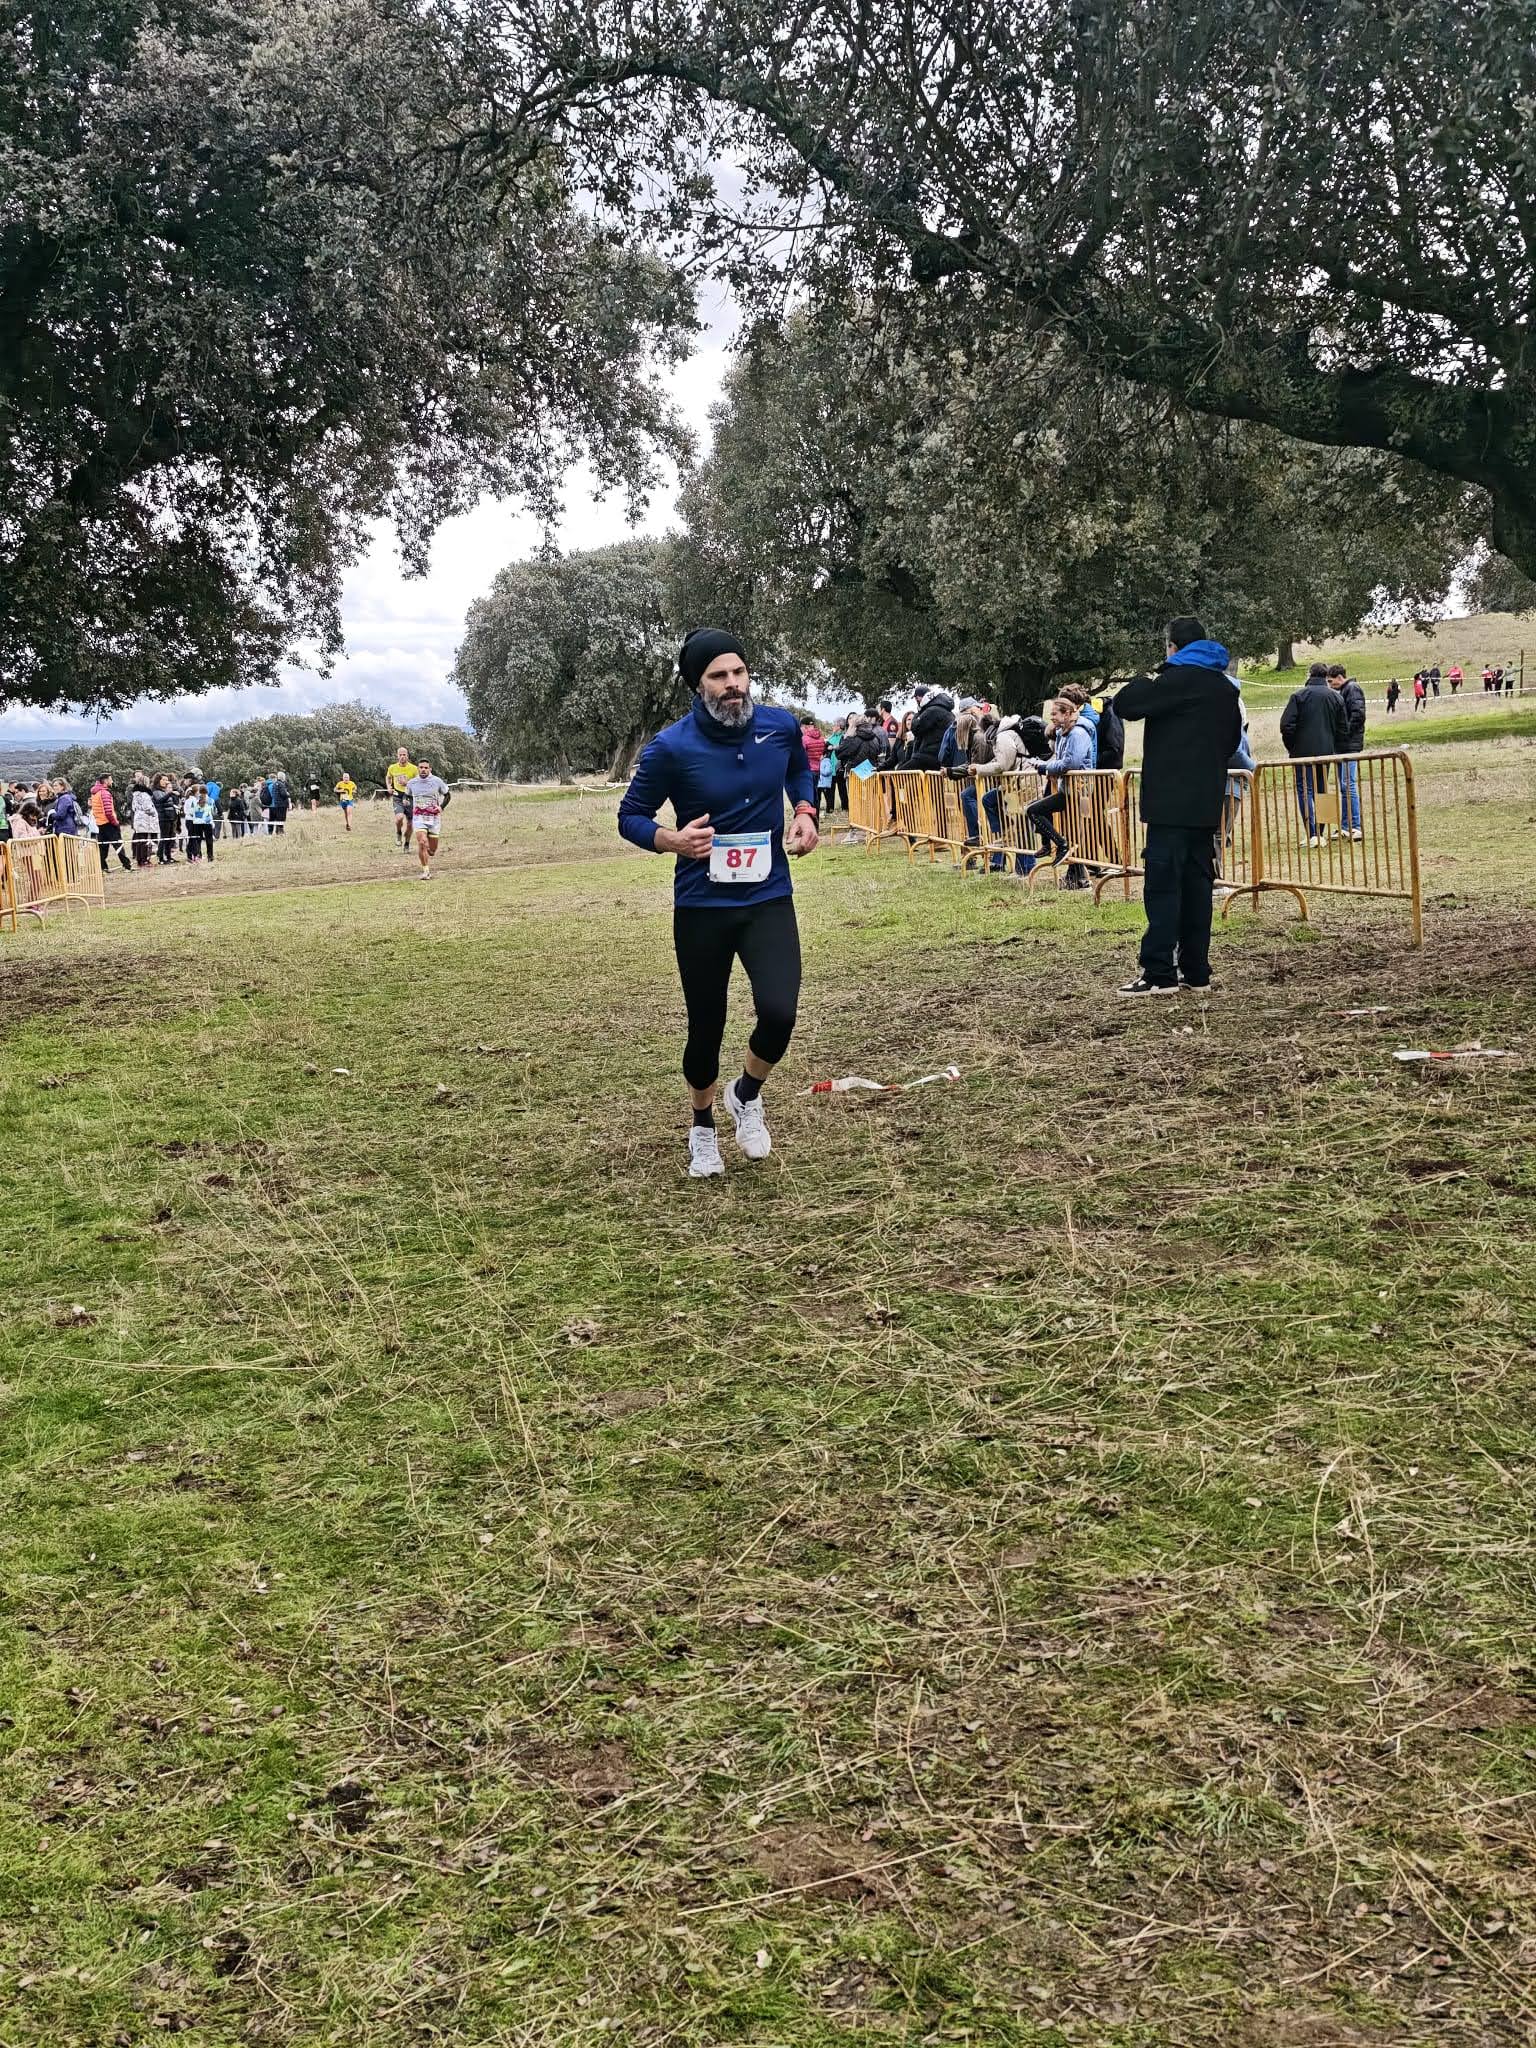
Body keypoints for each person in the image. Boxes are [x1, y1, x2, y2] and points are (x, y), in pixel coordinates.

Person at [617, 627, 818, 1178]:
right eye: (718, 677)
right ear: (697, 685)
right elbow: (629, 816)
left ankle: (745, 1093)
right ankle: (702, 1126)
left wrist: (804, 811)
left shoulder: (779, 727)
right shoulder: (671, 747)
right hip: (703, 906)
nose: (733, 685)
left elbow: (800, 771)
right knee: (706, 1026)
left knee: (780, 1013)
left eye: (739, 672)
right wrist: (672, 840)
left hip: (768, 897)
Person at [1112, 617, 1243, 995]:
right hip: (1205, 803)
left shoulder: (1174, 680)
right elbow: (1232, 741)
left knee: (1164, 887)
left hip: (1169, 803)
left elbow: (1127, 704)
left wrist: (1148, 676)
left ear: (1173, 647)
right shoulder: (1224, 689)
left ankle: (1158, 973)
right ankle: (1196, 971)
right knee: (1197, 887)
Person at [1024, 696, 1095, 886]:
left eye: (1055, 713)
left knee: (1074, 832)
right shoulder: (1063, 733)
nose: (1051, 717)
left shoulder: (1077, 734)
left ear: (1068, 713)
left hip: (1080, 790)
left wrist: (1044, 768)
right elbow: (1060, 760)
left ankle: (1065, 853)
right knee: (1036, 811)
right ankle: (1072, 870)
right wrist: (1042, 764)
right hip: (1069, 789)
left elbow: (1070, 763)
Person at [1279, 662, 1349, 844]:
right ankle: (1322, 831)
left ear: (1310, 674)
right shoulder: (1335, 697)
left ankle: (1312, 834)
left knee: (1305, 791)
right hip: (1327, 752)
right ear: (1325, 676)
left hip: (1302, 753)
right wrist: (1335, 747)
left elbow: (1286, 725)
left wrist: (1292, 747)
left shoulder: (1298, 696)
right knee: (1323, 790)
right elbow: (1343, 728)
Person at [1327, 664, 1367, 841]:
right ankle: (1345, 826)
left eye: (1331, 681)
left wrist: (1344, 733)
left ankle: (1355, 826)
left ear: (1339, 677)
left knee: (1348, 785)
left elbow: (1358, 715)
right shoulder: (1344, 691)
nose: (1329, 685)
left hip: (1350, 745)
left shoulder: (1352, 689)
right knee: (1343, 786)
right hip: (1343, 746)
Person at [405, 756, 450, 877]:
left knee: (432, 850)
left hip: (434, 818)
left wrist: (441, 807)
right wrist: (407, 803)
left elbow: (447, 795)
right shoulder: (412, 783)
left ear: (430, 769)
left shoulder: (437, 781)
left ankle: (430, 851)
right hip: (419, 817)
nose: (423, 770)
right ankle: (426, 871)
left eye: (426, 768)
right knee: (422, 842)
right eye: (421, 768)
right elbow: (407, 795)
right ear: (418, 769)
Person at [904, 684, 955, 769]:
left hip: (930, 755)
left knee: (899, 774)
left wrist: (919, 711)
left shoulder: (932, 710)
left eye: (917, 698)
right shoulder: (945, 710)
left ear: (918, 698)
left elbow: (916, 728)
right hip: (943, 755)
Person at [90, 777, 133, 872]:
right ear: (105, 781)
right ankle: (127, 866)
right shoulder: (104, 793)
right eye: (111, 779)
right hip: (109, 823)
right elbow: (108, 811)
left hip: (100, 823)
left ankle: (103, 867)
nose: (112, 781)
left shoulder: (95, 792)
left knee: (103, 847)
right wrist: (115, 822)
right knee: (118, 845)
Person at [385, 747, 417, 849]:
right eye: (400, 755)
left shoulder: (414, 768)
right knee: (399, 818)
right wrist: (389, 787)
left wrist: (407, 783)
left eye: (404, 755)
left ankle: (407, 843)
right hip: (397, 796)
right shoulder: (392, 767)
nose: (402, 757)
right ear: (397, 756)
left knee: (410, 824)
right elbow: (388, 777)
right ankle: (398, 833)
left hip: (410, 797)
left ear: (407, 756)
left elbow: (418, 782)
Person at [130, 783, 158, 867]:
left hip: (138, 819)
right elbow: (148, 807)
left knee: (140, 841)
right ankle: (144, 860)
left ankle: (140, 860)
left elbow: (133, 808)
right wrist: (154, 813)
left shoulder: (135, 796)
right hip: (145, 820)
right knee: (144, 841)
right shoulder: (145, 795)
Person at [266, 770, 290, 836]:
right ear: (283, 777)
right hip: (282, 805)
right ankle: (280, 832)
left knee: (276, 819)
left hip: (276, 804)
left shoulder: (275, 784)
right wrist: (287, 794)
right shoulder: (281, 784)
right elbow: (283, 794)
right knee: (281, 818)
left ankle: (275, 832)